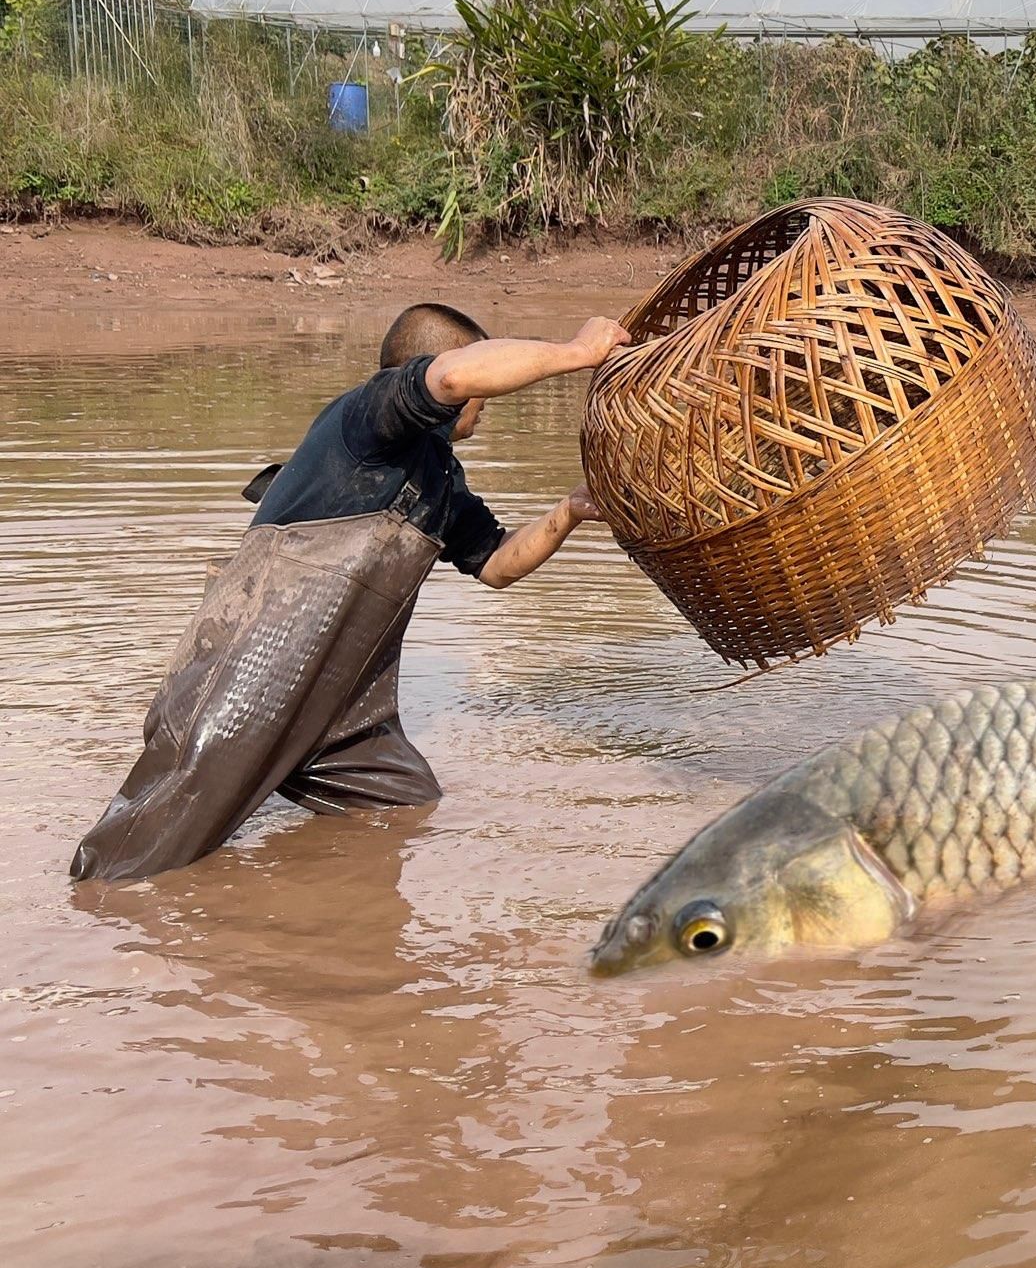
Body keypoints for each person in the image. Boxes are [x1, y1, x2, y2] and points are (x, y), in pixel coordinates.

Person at [69, 304, 633, 882]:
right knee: (143, 849)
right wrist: (576, 353)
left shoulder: (439, 478)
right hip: (253, 677)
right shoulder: (369, 416)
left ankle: (316, 930)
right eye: (481, 398)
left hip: (343, 705)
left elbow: (496, 564)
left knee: (404, 805)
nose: (482, 409)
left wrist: (569, 511)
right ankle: (86, 930)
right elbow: (457, 376)